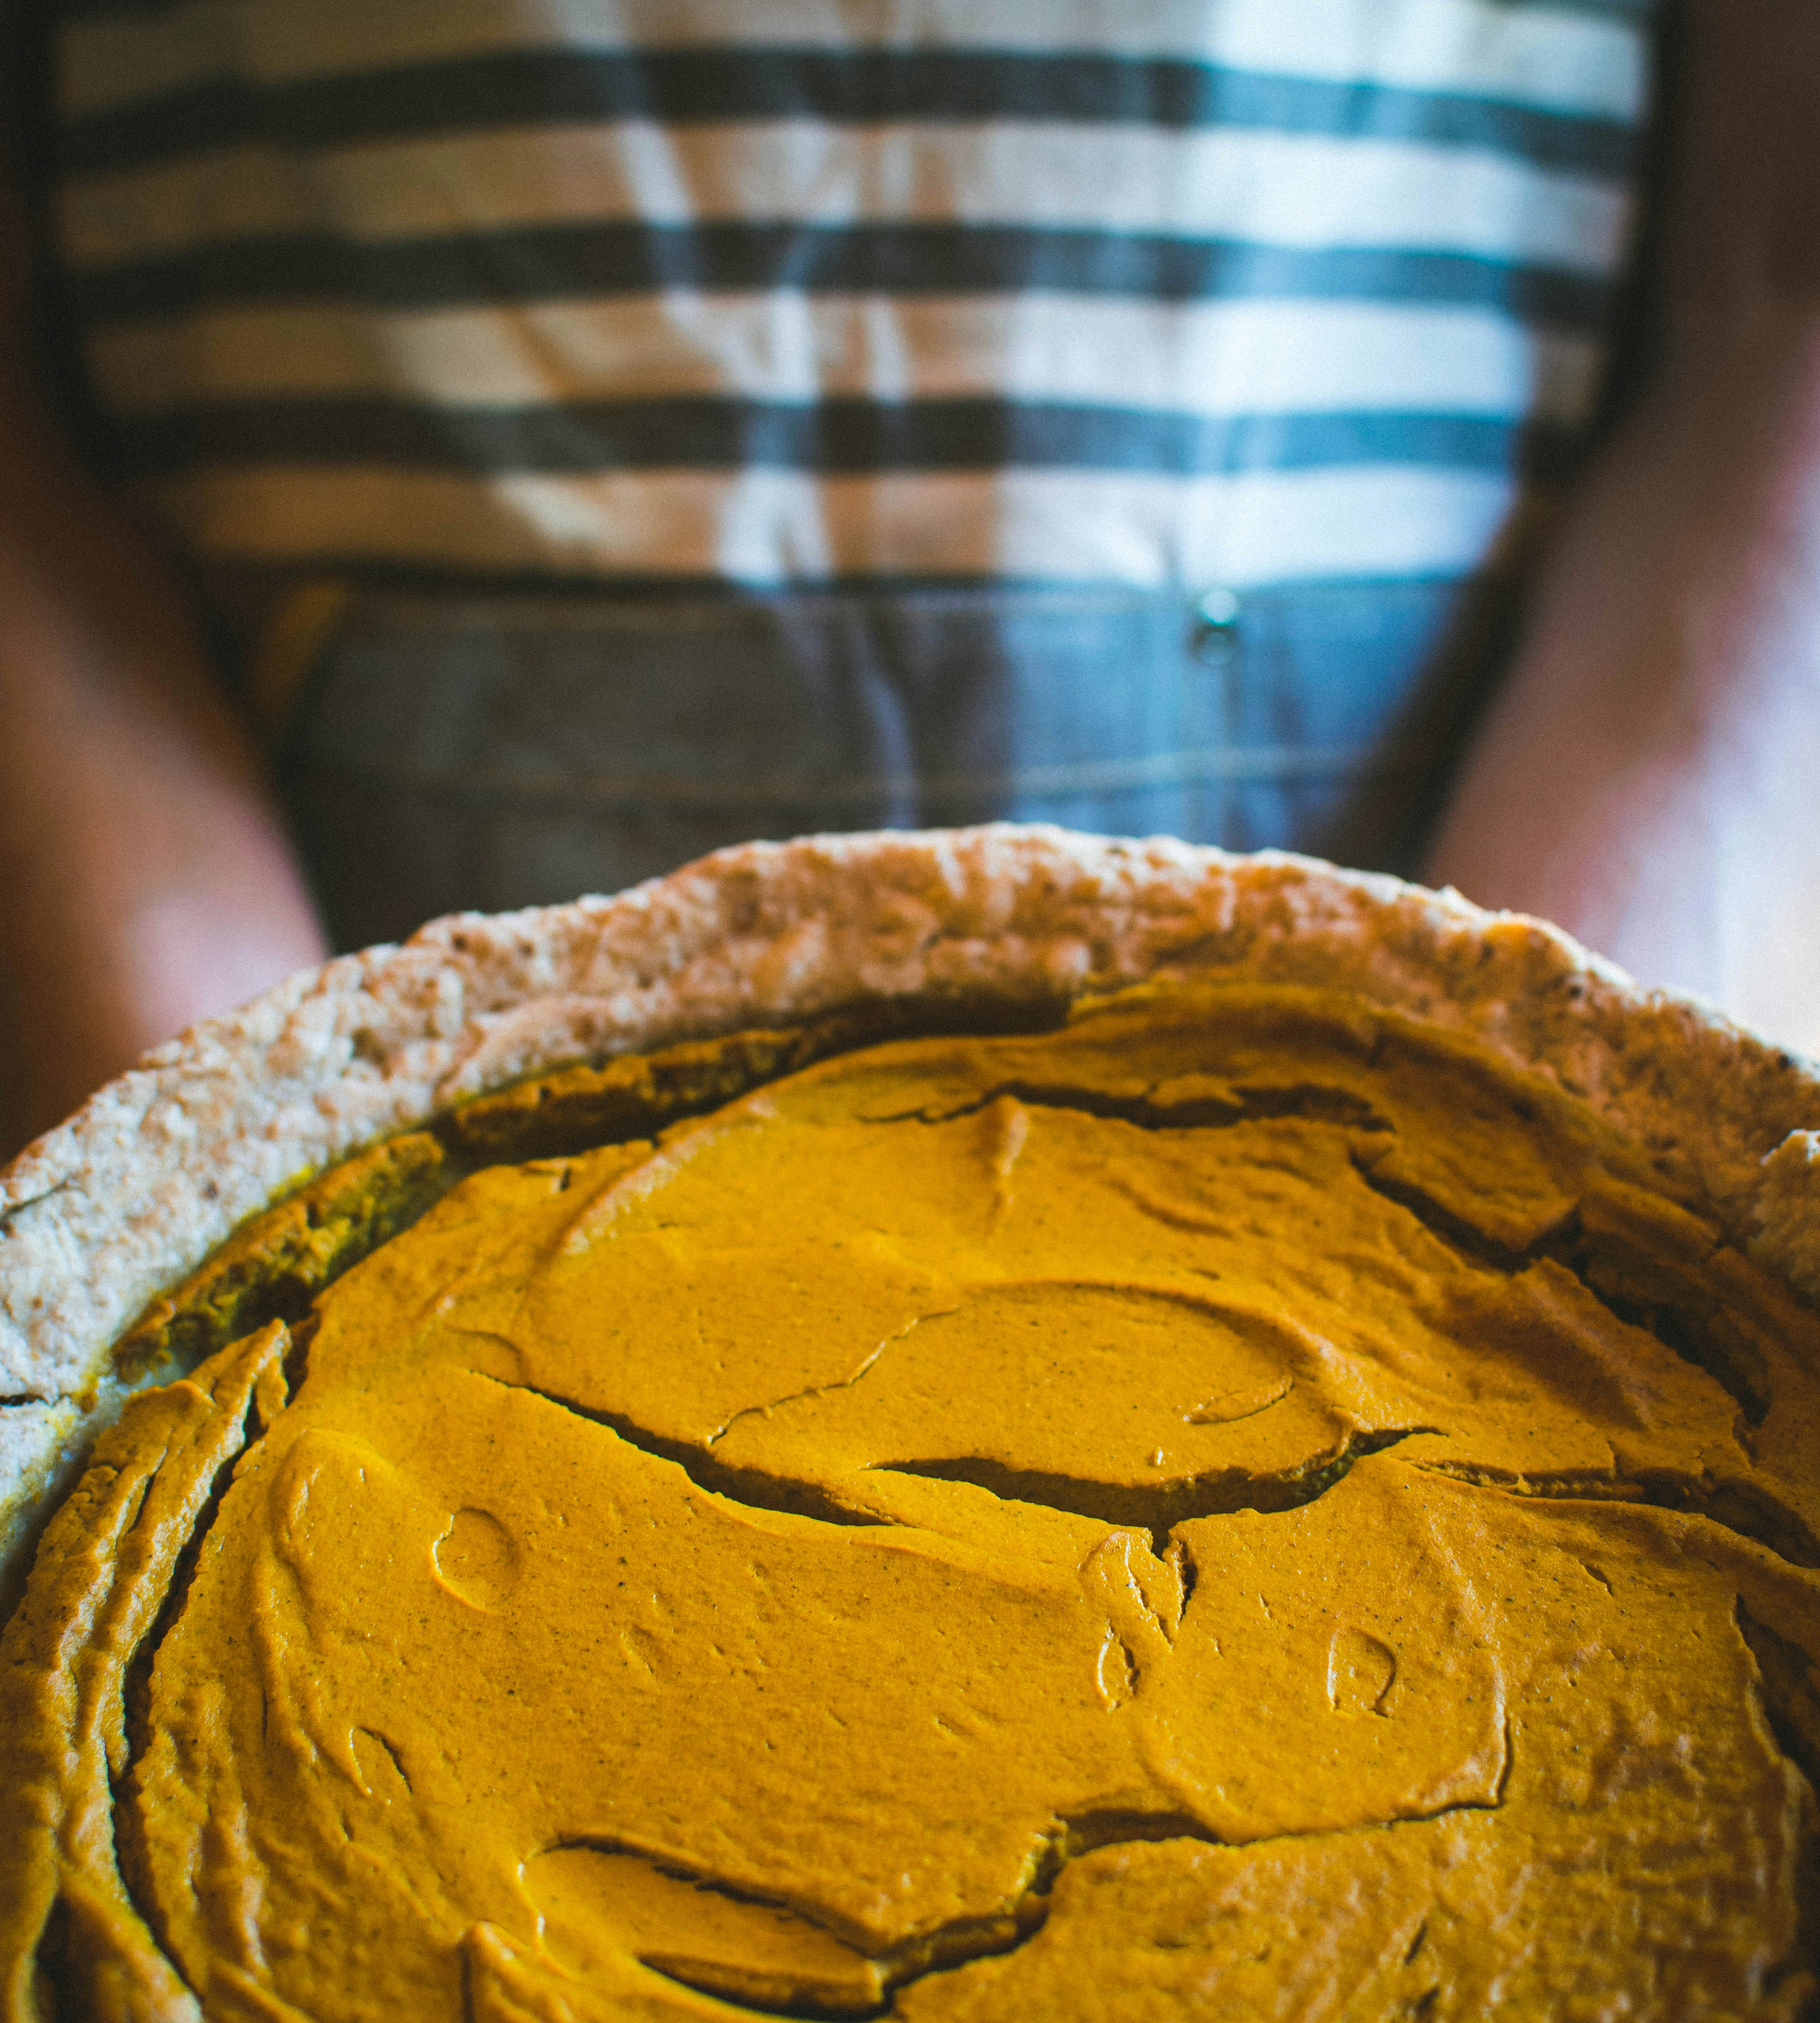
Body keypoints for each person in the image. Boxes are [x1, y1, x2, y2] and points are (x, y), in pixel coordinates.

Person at [1, 1, 1815, 1161]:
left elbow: (1775, 286)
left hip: (1484, 877)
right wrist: (210, 1171)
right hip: (258, 945)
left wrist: (1526, 1155)